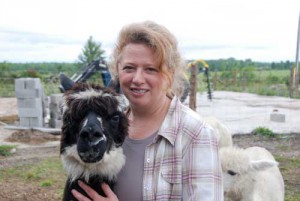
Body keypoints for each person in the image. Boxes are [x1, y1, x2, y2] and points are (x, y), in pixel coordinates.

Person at [71, 21, 223, 201]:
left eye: (151, 69)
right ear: (118, 70)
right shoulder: (108, 127)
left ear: (170, 74)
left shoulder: (196, 134)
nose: (137, 79)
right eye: (129, 68)